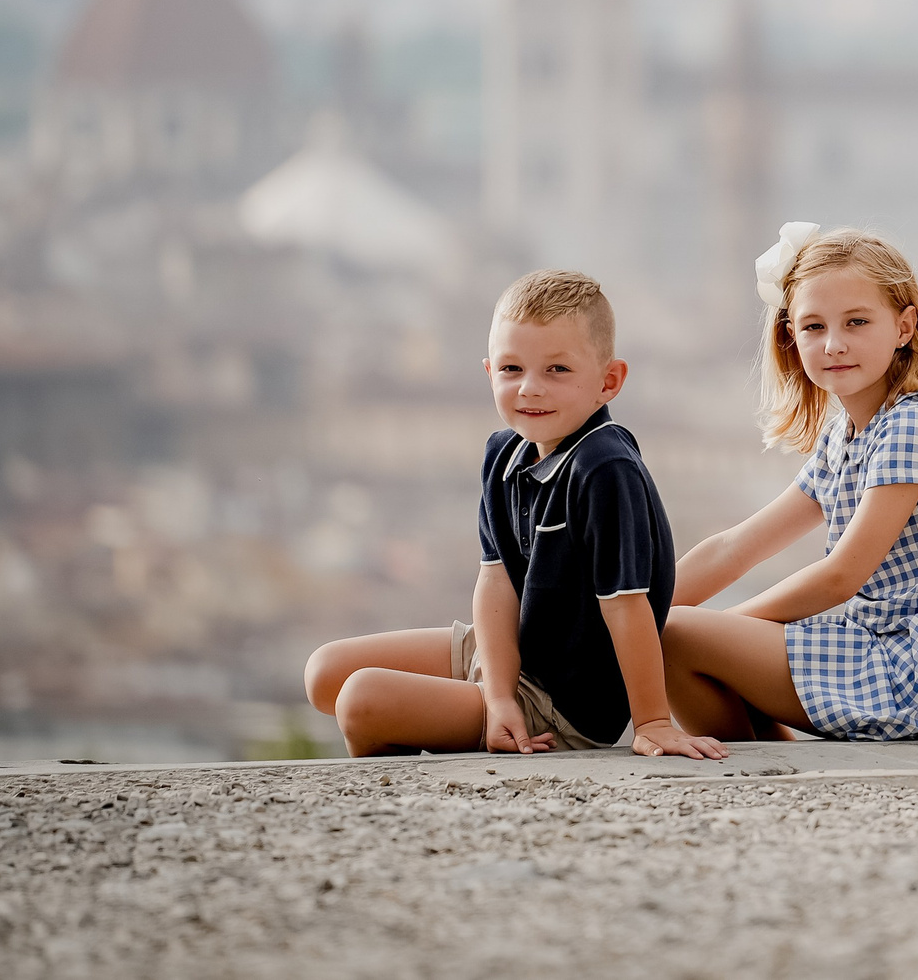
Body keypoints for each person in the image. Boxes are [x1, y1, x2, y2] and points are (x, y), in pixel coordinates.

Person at [301, 270, 724, 758]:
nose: (530, 388)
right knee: (325, 673)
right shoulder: (504, 454)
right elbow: (495, 581)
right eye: (511, 369)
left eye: (557, 370)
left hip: (558, 703)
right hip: (510, 656)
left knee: (361, 699)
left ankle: (419, 780)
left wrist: (652, 722)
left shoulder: (604, 467)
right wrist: (497, 693)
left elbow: (627, 605)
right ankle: (469, 717)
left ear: (608, 381)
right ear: (488, 373)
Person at [663, 225, 918, 741]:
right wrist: (634, 612)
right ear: (790, 335)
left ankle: (752, 770)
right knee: (665, 629)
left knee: (674, 637)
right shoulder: (846, 435)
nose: (833, 344)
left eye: (856, 322)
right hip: (874, 646)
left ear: (903, 326)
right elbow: (733, 548)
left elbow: (840, 577)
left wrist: (725, 626)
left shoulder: (917, 422)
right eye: (813, 327)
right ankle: (768, 766)